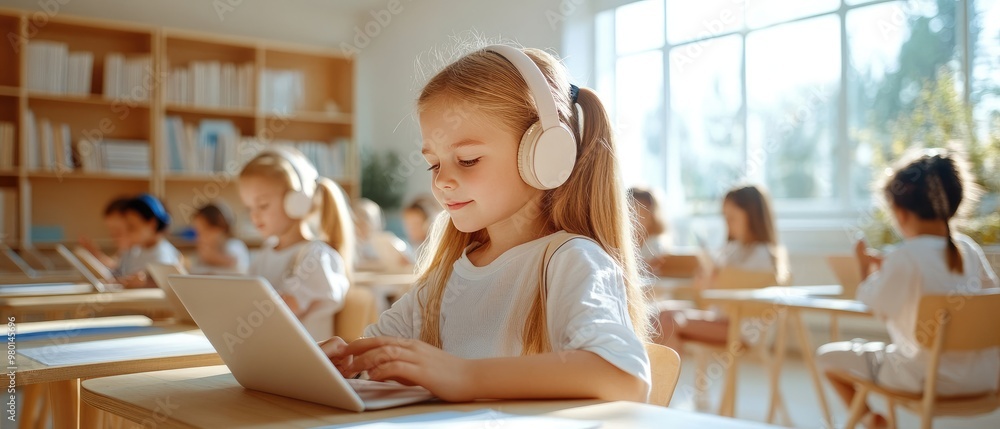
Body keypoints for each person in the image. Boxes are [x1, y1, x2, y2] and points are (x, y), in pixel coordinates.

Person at [321, 44, 652, 403]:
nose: (441, 181)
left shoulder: (571, 260)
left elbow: (623, 377)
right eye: (434, 164)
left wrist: (464, 376)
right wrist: (342, 360)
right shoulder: (448, 275)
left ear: (544, 154)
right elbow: (384, 355)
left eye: (467, 159)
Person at [817, 150, 999, 428]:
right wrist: (891, 269)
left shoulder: (906, 258)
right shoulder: (970, 250)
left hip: (925, 380)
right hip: (985, 380)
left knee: (827, 357)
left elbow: (872, 303)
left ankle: (871, 420)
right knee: (892, 353)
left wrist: (866, 271)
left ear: (900, 213)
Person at [238, 146, 355, 340]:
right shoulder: (267, 252)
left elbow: (279, 315)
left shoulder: (315, 257)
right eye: (249, 207)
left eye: (263, 205)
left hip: (302, 366)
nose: (254, 215)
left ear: (297, 201)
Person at [654, 185, 787, 349]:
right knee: (659, 312)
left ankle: (666, 373)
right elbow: (708, 293)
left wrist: (715, 280)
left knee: (670, 321)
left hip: (743, 328)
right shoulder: (733, 250)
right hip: (721, 317)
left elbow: (730, 291)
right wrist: (705, 279)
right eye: (725, 217)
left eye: (732, 218)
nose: (728, 224)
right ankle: (661, 371)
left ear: (752, 218)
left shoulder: (763, 254)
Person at [117, 194, 183, 288]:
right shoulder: (134, 250)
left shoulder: (164, 255)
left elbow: (169, 284)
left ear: (152, 224)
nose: (128, 233)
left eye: (132, 227)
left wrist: (144, 283)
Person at [188, 202, 250, 274]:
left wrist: (214, 258)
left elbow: (239, 268)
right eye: (198, 233)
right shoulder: (202, 252)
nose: (200, 238)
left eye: (205, 231)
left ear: (221, 228)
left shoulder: (234, 245)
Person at [353, 198, 412, 272]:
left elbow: (406, 258)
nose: (361, 222)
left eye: (366, 218)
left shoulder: (387, 241)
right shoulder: (351, 244)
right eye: (357, 218)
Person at [79, 197, 131, 272]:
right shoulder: (125, 251)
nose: (113, 236)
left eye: (118, 231)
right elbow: (115, 267)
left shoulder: (139, 250)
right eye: (111, 231)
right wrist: (95, 253)